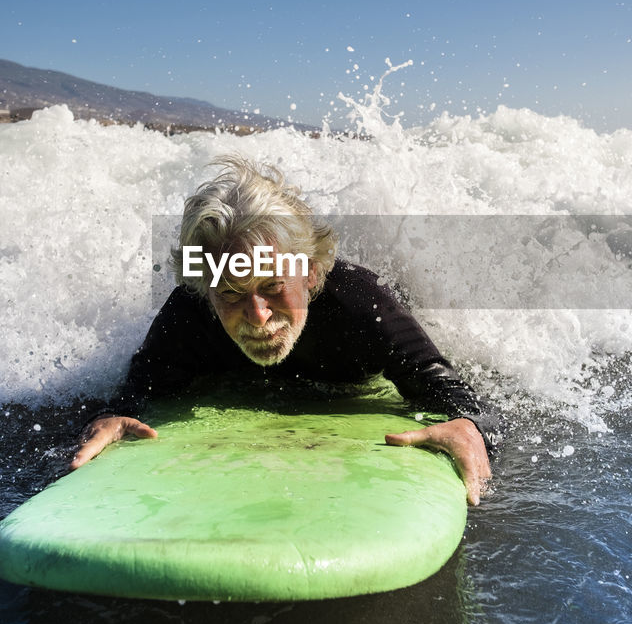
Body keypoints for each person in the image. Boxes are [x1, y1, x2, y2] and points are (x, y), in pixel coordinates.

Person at [70, 156, 497, 505]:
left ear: (309, 273)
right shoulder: (191, 312)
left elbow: (453, 392)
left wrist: (469, 425)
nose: (257, 316)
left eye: (273, 288)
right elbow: (135, 392)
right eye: (232, 294)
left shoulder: (361, 307)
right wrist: (108, 418)